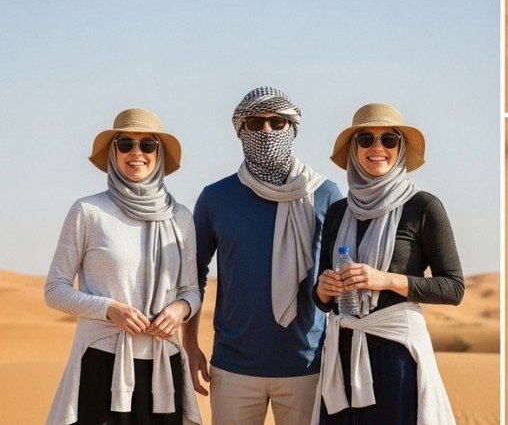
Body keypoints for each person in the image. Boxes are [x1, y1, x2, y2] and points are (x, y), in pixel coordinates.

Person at [183, 87, 341, 425]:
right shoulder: (215, 198)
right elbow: (192, 275)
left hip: (307, 365)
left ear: (292, 128)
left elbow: (340, 275)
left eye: (277, 122)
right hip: (233, 367)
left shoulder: (325, 194)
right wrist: (190, 344)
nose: (266, 131)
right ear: (241, 130)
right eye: (256, 123)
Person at [44, 108, 202, 424]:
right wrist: (110, 309)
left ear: (158, 154)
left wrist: (179, 310)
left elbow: (191, 290)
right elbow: (55, 290)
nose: (136, 153)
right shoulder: (88, 211)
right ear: (113, 152)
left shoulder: (180, 217)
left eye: (147, 145)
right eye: (125, 143)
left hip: (162, 364)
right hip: (103, 361)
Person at [312, 103, 465, 424]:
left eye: (389, 140)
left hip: (395, 352)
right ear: (354, 149)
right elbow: (322, 298)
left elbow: (453, 287)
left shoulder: (423, 207)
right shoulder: (340, 211)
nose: (377, 148)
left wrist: (385, 280)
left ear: (401, 148)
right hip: (341, 350)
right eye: (366, 139)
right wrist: (323, 290)